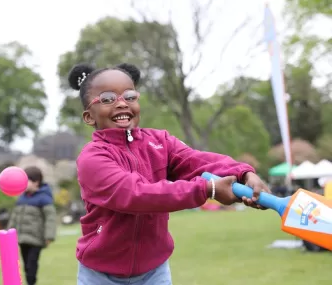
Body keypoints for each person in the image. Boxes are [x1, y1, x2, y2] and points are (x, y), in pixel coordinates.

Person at [68, 62, 271, 285]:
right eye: (107, 99)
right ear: (89, 117)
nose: (121, 103)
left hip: (154, 273)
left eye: (129, 96)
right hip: (100, 275)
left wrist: (243, 173)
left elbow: (197, 161)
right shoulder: (92, 158)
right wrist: (208, 188)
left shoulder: (160, 142)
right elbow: (136, 194)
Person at [7, 166, 57, 285]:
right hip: (22, 238)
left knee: (32, 264)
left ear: (36, 182)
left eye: (26, 181)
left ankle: (31, 282)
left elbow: (50, 218)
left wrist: (49, 236)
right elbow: (15, 217)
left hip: (36, 239)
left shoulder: (44, 198)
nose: (23, 184)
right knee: (26, 266)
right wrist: (9, 233)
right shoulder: (21, 198)